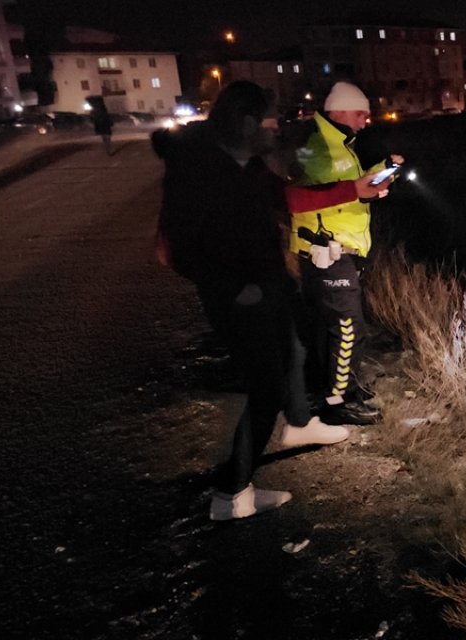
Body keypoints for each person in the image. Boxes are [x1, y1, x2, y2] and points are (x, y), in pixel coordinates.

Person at [153, 81, 353, 521]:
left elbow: (289, 199)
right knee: (268, 389)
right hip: (239, 299)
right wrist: (231, 288)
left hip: (269, 284)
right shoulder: (199, 171)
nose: (278, 128)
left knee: (295, 351)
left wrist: (355, 190)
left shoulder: (249, 166)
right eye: (271, 120)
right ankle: (232, 492)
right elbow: (173, 248)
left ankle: (298, 426)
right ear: (246, 123)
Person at [286, 81, 402, 426]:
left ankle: (339, 388)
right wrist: (359, 191)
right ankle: (339, 402)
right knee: (348, 326)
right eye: (359, 113)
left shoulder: (339, 144)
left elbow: (341, 189)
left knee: (332, 327)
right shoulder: (318, 145)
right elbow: (308, 194)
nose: (366, 120)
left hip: (336, 250)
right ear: (338, 111)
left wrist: (375, 176)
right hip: (326, 251)